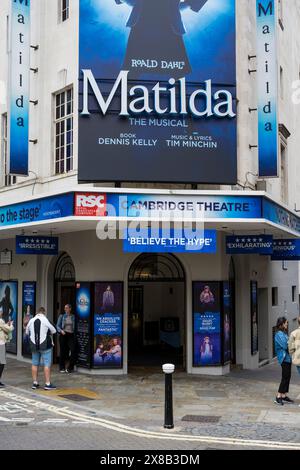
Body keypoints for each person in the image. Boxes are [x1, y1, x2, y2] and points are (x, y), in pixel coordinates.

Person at [116, 0, 208, 79]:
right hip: (144, 22)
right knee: (131, 71)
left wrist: (179, 6)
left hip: (167, 24)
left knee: (177, 71)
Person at [26, 307, 57, 391]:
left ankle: (35, 383)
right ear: (44, 312)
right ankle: (47, 383)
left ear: (36, 312)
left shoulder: (31, 320)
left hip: (33, 345)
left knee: (34, 363)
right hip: (45, 345)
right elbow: (54, 330)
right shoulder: (45, 319)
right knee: (47, 364)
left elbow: (26, 332)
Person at [274, 317, 294, 405]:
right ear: (281, 324)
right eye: (286, 323)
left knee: (288, 376)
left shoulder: (284, 333)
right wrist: (290, 343)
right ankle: (278, 396)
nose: (287, 324)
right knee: (285, 377)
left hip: (288, 358)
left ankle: (283, 395)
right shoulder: (279, 334)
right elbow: (286, 346)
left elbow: (289, 343)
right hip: (284, 358)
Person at [56, 304, 76, 373]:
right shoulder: (62, 316)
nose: (65, 309)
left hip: (71, 335)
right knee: (63, 351)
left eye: (67, 308)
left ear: (70, 309)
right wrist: (61, 331)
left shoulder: (73, 317)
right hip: (63, 335)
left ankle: (70, 367)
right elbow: (57, 326)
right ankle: (62, 367)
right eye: (65, 308)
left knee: (73, 350)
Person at [0, 308, 14, 387]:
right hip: (1, 343)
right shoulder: (0, 320)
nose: (2, 313)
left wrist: (6, 325)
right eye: (1, 311)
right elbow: (9, 329)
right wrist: (11, 324)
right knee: (2, 363)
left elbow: (4, 327)